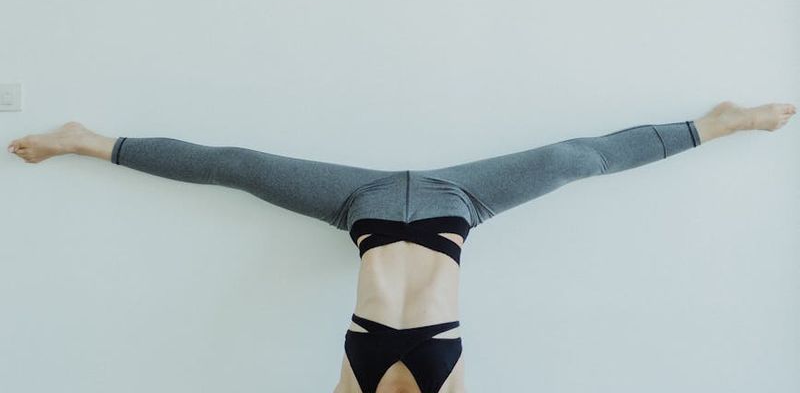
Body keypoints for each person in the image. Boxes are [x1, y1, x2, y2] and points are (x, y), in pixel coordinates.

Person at [7, 100, 796, 393]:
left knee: (236, 167)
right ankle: (716, 122)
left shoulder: (359, 379)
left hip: (363, 208)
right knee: (571, 160)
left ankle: (90, 140)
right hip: (460, 203)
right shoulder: (443, 381)